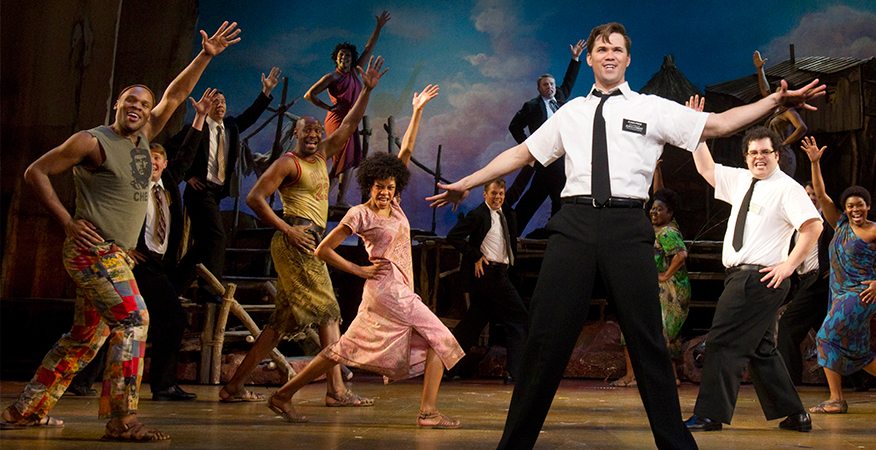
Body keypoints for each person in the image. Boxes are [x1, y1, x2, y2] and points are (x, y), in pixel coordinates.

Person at [427, 22, 826, 450]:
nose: (609, 55)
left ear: (627, 59)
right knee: (544, 338)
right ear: (591, 58)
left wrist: (774, 100)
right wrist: (467, 182)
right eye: (601, 49)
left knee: (648, 340)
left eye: (617, 49)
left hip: (627, 226)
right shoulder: (570, 113)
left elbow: (719, 124)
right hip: (575, 225)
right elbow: (522, 153)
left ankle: (676, 444)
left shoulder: (651, 108)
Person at [3, 21, 241, 441]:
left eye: (145, 103)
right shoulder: (90, 141)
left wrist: (205, 56)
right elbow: (35, 171)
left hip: (116, 255)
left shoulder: (144, 138)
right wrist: (67, 221)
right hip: (91, 253)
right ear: (118, 103)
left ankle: (26, 410)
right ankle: (122, 419)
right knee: (133, 320)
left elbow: (175, 96)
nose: (139, 107)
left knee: (85, 338)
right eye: (131, 100)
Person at [267, 85, 464, 426]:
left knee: (341, 351)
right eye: (379, 187)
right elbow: (322, 249)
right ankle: (428, 412)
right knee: (442, 339)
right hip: (389, 291)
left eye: (390, 187)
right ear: (368, 185)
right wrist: (358, 271)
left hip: (393, 291)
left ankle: (282, 395)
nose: (385, 192)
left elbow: (406, 149)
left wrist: (417, 110)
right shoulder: (359, 214)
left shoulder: (396, 205)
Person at [219, 55, 389, 409]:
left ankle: (233, 386)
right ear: (295, 134)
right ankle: (336, 390)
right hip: (295, 239)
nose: (312, 135)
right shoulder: (287, 162)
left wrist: (367, 91)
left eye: (316, 131)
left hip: (309, 240)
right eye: (306, 131)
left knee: (279, 325)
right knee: (329, 312)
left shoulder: (322, 154)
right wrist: (287, 229)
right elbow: (255, 198)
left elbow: (350, 123)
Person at [682, 121, 822, 433]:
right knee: (761, 350)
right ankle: (795, 414)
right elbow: (706, 168)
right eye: (753, 153)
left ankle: (710, 415)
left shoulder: (787, 188)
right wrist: (697, 132)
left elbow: (813, 226)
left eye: (765, 152)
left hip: (758, 278)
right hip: (743, 278)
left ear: (777, 155)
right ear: (746, 157)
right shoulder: (742, 180)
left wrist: (789, 265)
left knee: (721, 341)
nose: (759, 157)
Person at [802, 136, 876, 414]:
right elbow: (822, 194)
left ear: (868, 206)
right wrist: (815, 163)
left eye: (860, 205)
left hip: (861, 293)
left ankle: (836, 399)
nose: (855, 209)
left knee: (825, 338)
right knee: (860, 355)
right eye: (851, 206)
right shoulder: (839, 223)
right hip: (840, 294)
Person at [130, 90, 218, 402]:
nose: (153, 162)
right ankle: (163, 384)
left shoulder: (167, 182)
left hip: (160, 264)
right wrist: (126, 247)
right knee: (167, 317)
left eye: (158, 158)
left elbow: (187, 154)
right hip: (138, 263)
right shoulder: (134, 185)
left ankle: (162, 384)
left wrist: (200, 117)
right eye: (149, 157)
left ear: (165, 164)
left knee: (151, 319)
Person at [170, 68, 280, 298]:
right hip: (199, 192)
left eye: (223, 102)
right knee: (218, 237)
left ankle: (175, 287)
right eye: (215, 102)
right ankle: (211, 292)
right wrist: (187, 176)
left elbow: (250, 116)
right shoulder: (196, 128)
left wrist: (266, 92)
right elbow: (168, 150)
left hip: (216, 193)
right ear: (207, 106)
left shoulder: (231, 127)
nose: (220, 105)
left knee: (203, 243)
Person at [445, 177, 528, 382]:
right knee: (519, 318)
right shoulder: (479, 214)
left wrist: (530, 165)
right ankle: (516, 374)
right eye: (493, 193)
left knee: (473, 323)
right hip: (490, 273)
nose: (497, 197)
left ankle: (447, 367)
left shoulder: (505, 213)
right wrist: (475, 255)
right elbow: (453, 236)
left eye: (500, 194)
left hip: (500, 272)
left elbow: (517, 189)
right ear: (485, 195)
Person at [305, 11, 390, 207]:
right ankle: (332, 200)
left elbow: (368, 49)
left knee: (347, 161)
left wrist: (378, 27)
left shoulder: (354, 73)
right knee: (342, 159)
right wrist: (328, 106)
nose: (345, 57)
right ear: (336, 59)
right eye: (341, 55)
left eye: (348, 55)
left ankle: (329, 200)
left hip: (351, 121)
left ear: (352, 59)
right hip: (338, 121)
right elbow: (310, 94)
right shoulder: (332, 77)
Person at [611, 187, 690, 388]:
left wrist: (665, 275)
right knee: (638, 328)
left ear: (670, 213)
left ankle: (666, 376)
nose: (654, 212)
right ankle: (637, 375)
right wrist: (657, 173)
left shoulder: (668, 231)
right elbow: (658, 193)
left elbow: (680, 254)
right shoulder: (659, 228)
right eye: (653, 208)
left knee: (663, 331)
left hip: (669, 290)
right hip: (655, 287)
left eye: (659, 209)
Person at [505, 39, 586, 234]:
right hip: (544, 156)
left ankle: (514, 231)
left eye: (551, 84)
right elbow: (514, 126)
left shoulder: (560, 97)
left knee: (538, 194)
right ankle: (555, 232)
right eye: (545, 85)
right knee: (558, 195)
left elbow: (569, 80)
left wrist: (575, 59)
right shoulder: (532, 106)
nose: (549, 87)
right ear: (539, 88)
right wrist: (528, 146)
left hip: (559, 157)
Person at [776, 181, 835, 385]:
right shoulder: (796, 222)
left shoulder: (828, 220)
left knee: (787, 327)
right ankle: (860, 377)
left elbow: (844, 244)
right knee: (828, 334)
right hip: (804, 281)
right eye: (807, 194)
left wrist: (835, 268)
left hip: (818, 281)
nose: (811, 198)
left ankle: (789, 379)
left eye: (814, 194)